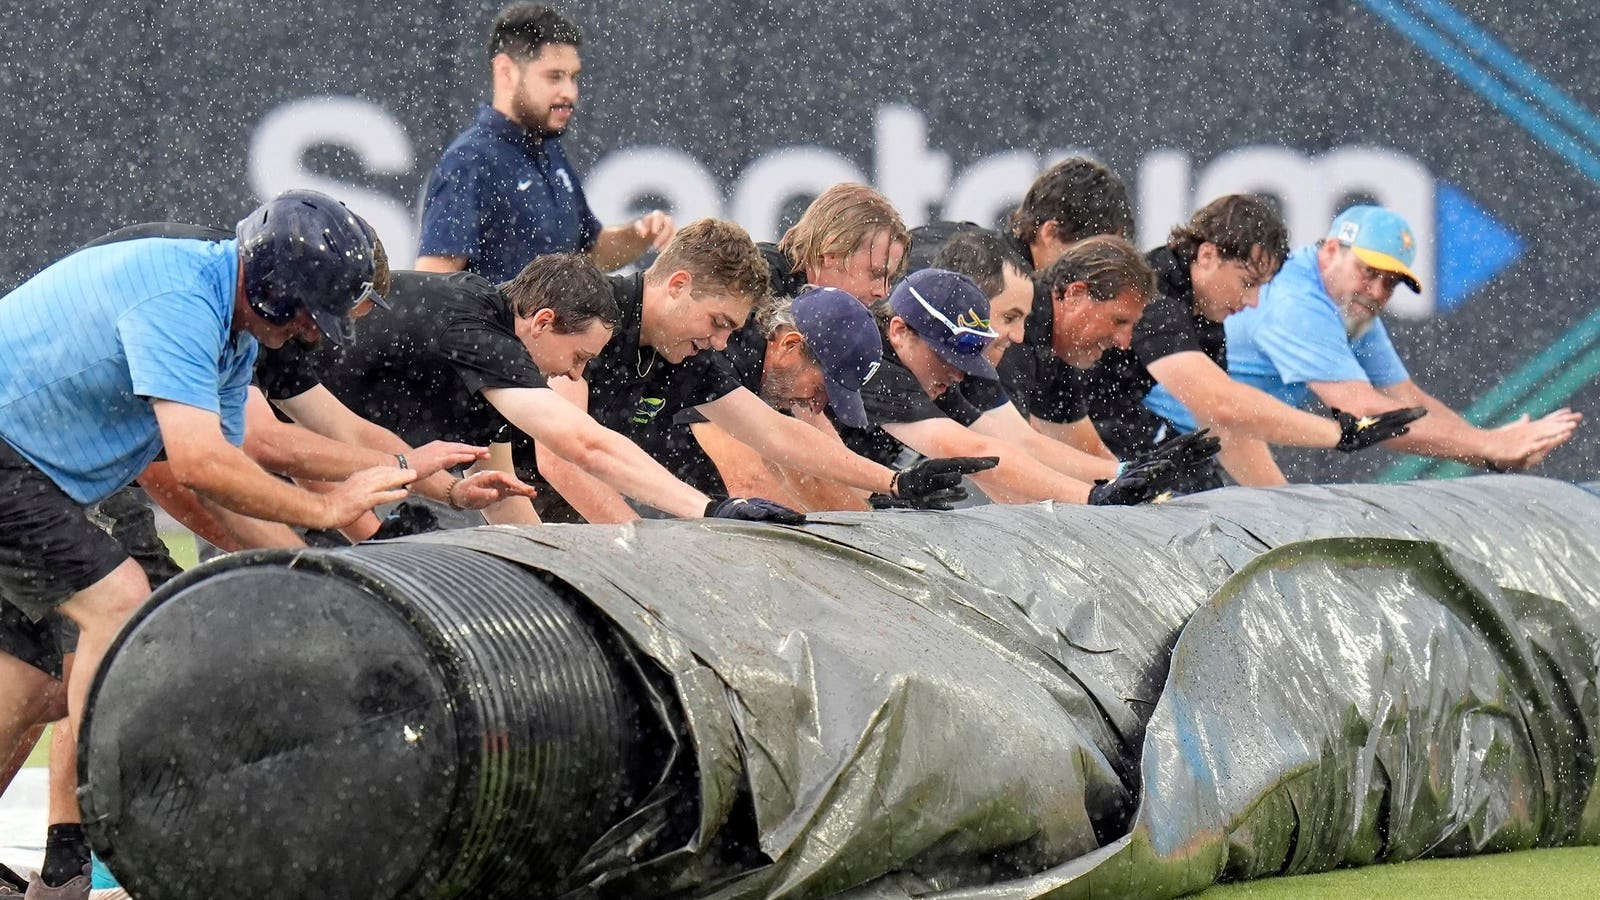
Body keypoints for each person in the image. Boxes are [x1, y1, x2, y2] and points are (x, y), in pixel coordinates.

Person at [0, 190, 414, 899]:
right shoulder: (181, 299)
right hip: (17, 460)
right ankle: (95, 825)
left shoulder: (233, 327)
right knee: (120, 602)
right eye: (313, 319)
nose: (313, 339)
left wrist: (311, 573)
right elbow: (194, 464)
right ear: (279, 292)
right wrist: (326, 506)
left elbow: (227, 481)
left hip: (37, 471)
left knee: (39, 684)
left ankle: (74, 840)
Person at [305, 247, 819, 525]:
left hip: (310, 433)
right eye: (578, 359)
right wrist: (708, 510)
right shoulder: (475, 328)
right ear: (543, 321)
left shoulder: (492, 373)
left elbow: (503, 503)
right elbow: (581, 442)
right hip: (270, 413)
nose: (574, 376)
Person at [532, 219, 994, 521]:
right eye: (717, 323)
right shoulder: (592, 312)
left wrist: (895, 481)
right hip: (500, 485)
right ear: (677, 285)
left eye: (729, 330)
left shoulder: (691, 353)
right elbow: (561, 454)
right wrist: (642, 549)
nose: (720, 342)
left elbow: (777, 434)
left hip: (548, 497)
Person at [1147, 205, 1582, 478]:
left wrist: (1486, 446)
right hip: (1153, 438)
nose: (1376, 291)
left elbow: (1405, 399)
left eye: (1390, 282)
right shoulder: (1297, 301)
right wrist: (1487, 448)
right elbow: (1366, 413)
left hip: (1219, 441)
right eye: (1369, 272)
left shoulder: (1348, 304)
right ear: (1331, 250)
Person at [1085, 195, 1425, 492]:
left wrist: (1286, 517)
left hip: (1109, 432)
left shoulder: (1207, 315)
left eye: (1261, 287)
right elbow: (1223, 406)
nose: (1253, 301)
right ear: (1207, 256)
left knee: (1202, 489)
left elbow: (1225, 426)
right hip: (1075, 438)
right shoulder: (1155, 297)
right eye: (1247, 282)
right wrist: (1337, 435)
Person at [835, 268, 1185, 507]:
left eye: (964, 364)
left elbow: (1017, 444)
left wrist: (1123, 473)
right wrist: (1093, 497)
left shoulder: (935, 370)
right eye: (948, 359)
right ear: (899, 332)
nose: (958, 376)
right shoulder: (871, 363)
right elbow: (974, 450)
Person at [415, 3, 674, 280]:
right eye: (554, 77)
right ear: (505, 71)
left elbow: (590, 253)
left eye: (574, 77)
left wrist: (639, 234)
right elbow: (432, 285)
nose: (570, 93)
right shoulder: (469, 161)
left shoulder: (547, 149)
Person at [649, 286, 888, 508]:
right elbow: (751, 483)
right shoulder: (720, 358)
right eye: (820, 389)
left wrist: (885, 491)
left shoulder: (776, 377)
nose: (816, 408)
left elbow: (813, 469)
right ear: (790, 345)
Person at [761, 183, 911, 303]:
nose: (883, 292)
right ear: (830, 254)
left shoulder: (870, 320)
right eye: (875, 273)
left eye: (890, 279)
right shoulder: (755, 281)